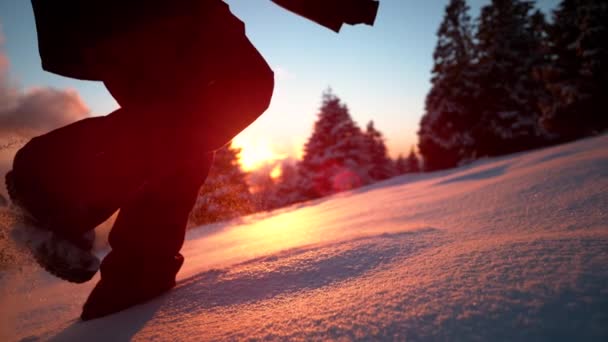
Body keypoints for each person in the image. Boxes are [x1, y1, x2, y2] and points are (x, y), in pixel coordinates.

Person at [6, 0, 378, 320]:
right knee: (236, 88)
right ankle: (52, 181)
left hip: (107, 17)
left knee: (183, 126)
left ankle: (136, 278)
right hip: (136, 11)